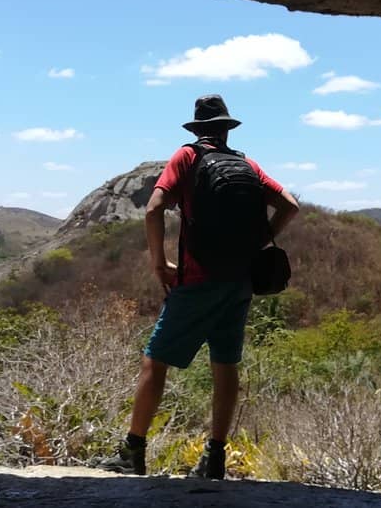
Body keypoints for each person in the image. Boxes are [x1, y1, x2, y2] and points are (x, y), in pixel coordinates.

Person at [99, 94, 299, 479]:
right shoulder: (247, 163)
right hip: (240, 281)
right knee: (225, 365)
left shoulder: (188, 157)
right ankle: (215, 458)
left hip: (197, 279)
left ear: (197, 129)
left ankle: (133, 452)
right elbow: (289, 204)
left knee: (155, 360)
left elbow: (154, 209)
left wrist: (159, 264)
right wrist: (259, 242)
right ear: (226, 130)